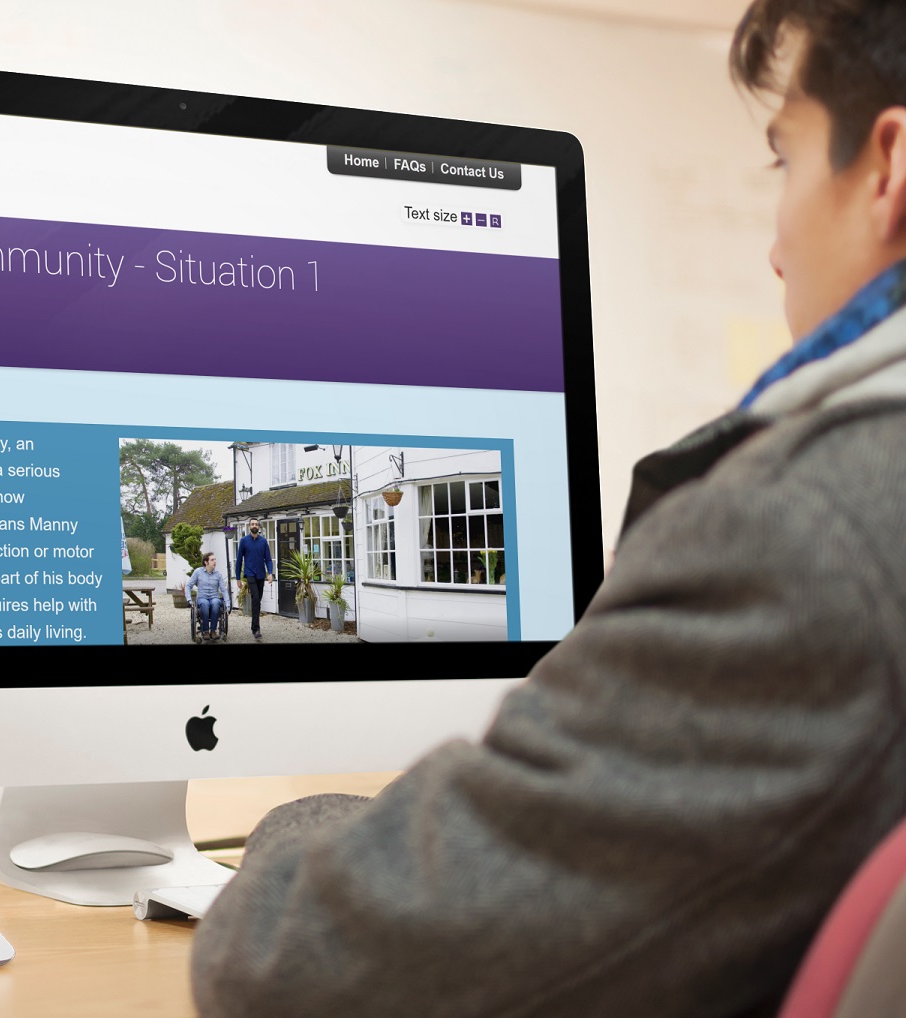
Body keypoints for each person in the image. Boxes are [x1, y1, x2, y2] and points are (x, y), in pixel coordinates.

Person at [191, 2, 906, 1016]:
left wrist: (287, 830)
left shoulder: (805, 536)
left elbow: (293, 967)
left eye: (780, 163)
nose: (774, 250)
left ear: (884, 168)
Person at [234, 519, 274, 641]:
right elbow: (239, 559)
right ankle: (256, 629)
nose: (254, 526)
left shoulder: (263, 541)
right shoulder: (244, 541)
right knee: (255, 598)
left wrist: (270, 573)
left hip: (261, 575)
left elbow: (268, 559)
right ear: (249, 526)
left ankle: (253, 627)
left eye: (256, 524)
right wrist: (237, 578)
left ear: (258, 527)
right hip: (249, 573)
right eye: (252, 524)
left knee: (257, 600)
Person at [186, 551, 229, 643]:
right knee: (205, 604)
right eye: (212, 560)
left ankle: (213, 631)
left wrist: (228, 604)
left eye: (215, 560)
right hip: (202, 598)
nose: (215, 562)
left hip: (214, 597)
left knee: (215, 603)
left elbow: (224, 590)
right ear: (206, 562)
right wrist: (189, 599)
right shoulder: (198, 572)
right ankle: (205, 631)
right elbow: (188, 585)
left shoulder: (218, 575)